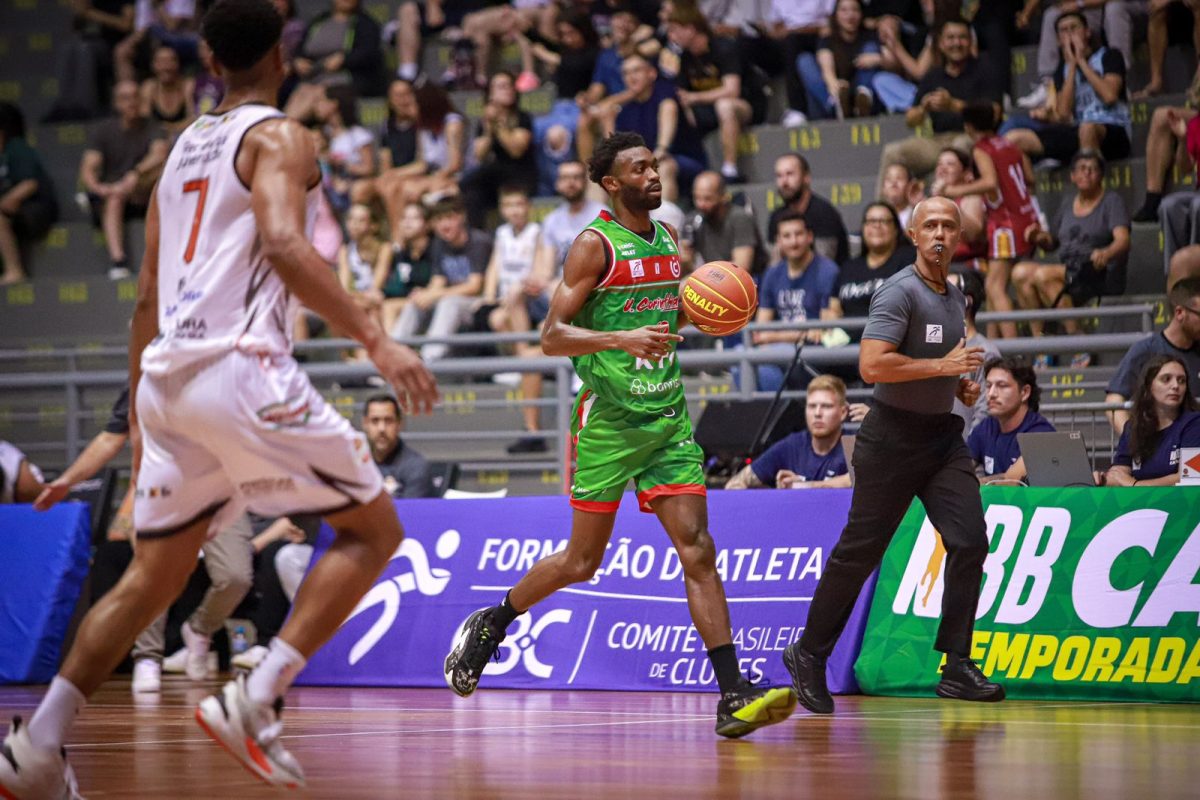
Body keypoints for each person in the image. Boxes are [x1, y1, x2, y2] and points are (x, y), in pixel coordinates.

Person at [0, 4, 439, 796]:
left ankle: (38, 743)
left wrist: (139, 415)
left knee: (151, 579)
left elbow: (143, 300)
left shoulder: (175, 153)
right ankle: (256, 695)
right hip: (240, 367)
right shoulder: (279, 135)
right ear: (283, 54)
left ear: (205, 57)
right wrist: (377, 340)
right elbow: (283, 241)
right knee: (375, 530)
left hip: (168, 376)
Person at [442, 131, 798, 738]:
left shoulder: (665, 237)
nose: (654, 175)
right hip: (607, 423)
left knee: (699, 549)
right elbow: (552, 336)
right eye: (640, 168)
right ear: (611, 183)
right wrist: (619, 339)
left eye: (656, 165)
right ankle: (494, 621)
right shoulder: (591, 246)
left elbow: (667, 309)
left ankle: (732, 692)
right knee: (583, 562)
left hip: (665, 419)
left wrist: (705, 310)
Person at [783, 196, 1004, 717]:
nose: (941, 234)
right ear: (913, 234)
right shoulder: (897, 291)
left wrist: (958, 386)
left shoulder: (955, 293)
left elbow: (938, 361)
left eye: (950, 225)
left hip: (943, 437)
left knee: (970, 540)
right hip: (892, 438)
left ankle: (955, 666)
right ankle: (808, 653)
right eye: (930, 225)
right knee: (860, 552)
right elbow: (874, 365)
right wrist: (941, 367)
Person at [32, 384, 256, 692]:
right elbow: (110, 438)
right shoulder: (149, 377)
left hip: (221, 489)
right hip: (162, 490)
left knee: (236, 577)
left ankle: (199, 629)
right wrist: (68, 480)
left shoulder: (230, 373)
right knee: (155, 575)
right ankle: (147, 657)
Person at [936, 104, 1040, 340]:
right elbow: (1030, 179)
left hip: (1007, 223)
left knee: (994, 287)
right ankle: (995, 343)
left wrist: (953, 190)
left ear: (969, 127)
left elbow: (990, 183)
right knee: (996, 286)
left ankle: (1014, 348)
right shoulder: (1010, 143)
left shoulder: (982, 149)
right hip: (1025, 215)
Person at [1012, 149, 1130, 354]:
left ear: (1101, 175)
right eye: (1082, 169)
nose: (1087, 174)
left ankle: (1078, 341)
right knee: (1020, 272)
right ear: (1072, 175)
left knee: (1043, 274)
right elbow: (1053, 241)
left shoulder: (1111, 201)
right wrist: (1039, 237)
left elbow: (1123, 240)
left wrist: (1106, 253)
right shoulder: (1068, 202)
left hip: (1096, 270)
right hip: (1069, 270)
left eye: (1092, 170)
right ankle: (1041, 345)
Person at [877, 18, 999, 199]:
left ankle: (943, 212)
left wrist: (954, 105)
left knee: (955, 151)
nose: (956, 43)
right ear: (941, 44)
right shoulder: (933, 76)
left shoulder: (984, 68)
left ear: (971, 42)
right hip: (936, 141)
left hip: (970, 137)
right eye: (950, 38)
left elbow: (995, 112)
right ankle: (882, 215)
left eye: (962, 38)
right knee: (892, 152)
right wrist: (923, 109)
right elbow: (911, 120)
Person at [1002, 12, 1132, 167]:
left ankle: (1092, 185)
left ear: (1087, 32)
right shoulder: (1062, 69)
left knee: (1087, 128)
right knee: (1014, 139)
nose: (1069, 34)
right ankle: (1027, 189)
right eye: (1063, 31)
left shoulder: (1109, 56)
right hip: (1078, 130)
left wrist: (1082, 62)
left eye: (1074, 28)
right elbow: (1064, 114)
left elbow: (1109, 96)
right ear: (1058, 40)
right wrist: (1071, 67)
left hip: (1113, 130)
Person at [478, 186, 546, 453]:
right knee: (495, 317)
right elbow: (495, 264)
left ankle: (521, 358)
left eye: (520, 204)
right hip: (507, 301)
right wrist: (486, 294)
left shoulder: (536, 232)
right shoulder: (502, 233)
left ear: (528, 206)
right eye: (509, 205)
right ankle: (521, 357)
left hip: (530, 298)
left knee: (515, 295)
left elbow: (540, 271)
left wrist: (525, 285)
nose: (515, 210)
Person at [79, 80, 169, 279]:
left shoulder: (153, 126)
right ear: (116, 103)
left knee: (155, 177)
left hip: (144, 188)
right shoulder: (103, 130)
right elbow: (88, 166)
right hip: (114, 192)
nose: (132, 103)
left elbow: (159, 154)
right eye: (125, 98)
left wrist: (135, 174)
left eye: (135, 97)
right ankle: (118, 261)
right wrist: (97, 188)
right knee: (115, 197)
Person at [390, 196, 492, 362]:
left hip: (478, 303)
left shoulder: (478, 241)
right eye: (439, 220)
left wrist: (435, 295)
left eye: (449, 218)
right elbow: (438, 281)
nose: (444, 225)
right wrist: (425, 294)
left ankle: (429, 358)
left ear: (461, 217)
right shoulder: (439, 244)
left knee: (449, 303)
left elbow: (474, 286)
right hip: (451, 298)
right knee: (416, 302)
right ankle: (394, 355)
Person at [666, 6, 761, 183]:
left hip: (743, 106)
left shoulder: (723, 47)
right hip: (707, 110)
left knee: (724, 105)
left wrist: (695, 98)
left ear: (691, 29)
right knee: (673, 108)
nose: (672, 36)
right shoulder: (684, 57)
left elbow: (732, 90)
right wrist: (688, 108)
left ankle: (730, 169)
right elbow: (681, 94)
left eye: (675, 30)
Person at [750, 210, 840, 391]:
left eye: (799, 234)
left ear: (810, 237)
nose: (794, 241)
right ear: (779, 241)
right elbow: (761, 332)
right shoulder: (773, 274)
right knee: (740, 362)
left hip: (813, 351)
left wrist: (775, 336)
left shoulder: (827, 271)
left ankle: (775, 417)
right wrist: (799, 333)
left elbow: (823, 331)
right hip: (783, 348)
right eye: (787, 236)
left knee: (759, 367)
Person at [1105, 278, 1200, 434]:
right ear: (1180, 313)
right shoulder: (1146, 350)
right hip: (1157, 446)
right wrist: (1131, 440)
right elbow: (1114, 400)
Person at [725, 374, 851, 489]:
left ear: (843, 412)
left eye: (826, 406)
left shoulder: (853, 445)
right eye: (812, 406)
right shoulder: (792, 445)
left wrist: (801, 486)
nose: (817, 413)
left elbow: (855, 480)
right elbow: (735, 483)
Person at [1105, 355, 1200, 486]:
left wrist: (1135, 484)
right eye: (1166, 379)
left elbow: (1189, 476)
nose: (1175, 386)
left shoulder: (1195, 423)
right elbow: (1119, 472)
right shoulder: (1132, 427)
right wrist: (1101, 480)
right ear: (1149, 386)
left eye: (1181, 380)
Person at [825, 202, 915, 341]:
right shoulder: (849, 267)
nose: (877, 226)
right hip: (846, 345)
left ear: (896, 229)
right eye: (871, 221)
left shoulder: (909, 259)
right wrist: (831, 315)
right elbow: (833, 307)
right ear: (863, 228)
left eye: (884, 221)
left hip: (891, 342)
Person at [459, 71, 537, 230]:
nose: (508, 90)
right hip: (495, 173)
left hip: (520, 172)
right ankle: (476, 237)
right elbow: (479, 155)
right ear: (491, 94)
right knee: (469, 188)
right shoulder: (485, 121)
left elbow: (516, 150)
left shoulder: (523, 117)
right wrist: (488, 129)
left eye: (510, 86)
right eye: (501, 87)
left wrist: (498, 125)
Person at [968, 357, 1056, 484]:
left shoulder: (1041, 434)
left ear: (1025, 392)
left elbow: (1012, 481)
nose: (991, 394)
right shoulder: (985, 428)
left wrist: (975, 483)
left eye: (1002, 386)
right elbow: (960, 471)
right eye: (988, 386)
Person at [0, 102, 58, 285]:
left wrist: (7, 200)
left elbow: (29, 184)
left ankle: (14, 270)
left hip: (37, 208)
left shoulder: (16, 147)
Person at [798, 0, 881, 120]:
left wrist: (877, 59)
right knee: (804, 60)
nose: (850, 15)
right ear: (836, 15)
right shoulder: (828, 38)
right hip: (833, 96)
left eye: (855, 10)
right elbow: (827, 70)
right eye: (844, 10)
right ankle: (834, 106)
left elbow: (892, 63)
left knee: (871, 49)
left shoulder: (869, 36)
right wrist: (837, 89)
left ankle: (863, 100)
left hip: (860, 95)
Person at [768, 152, 850, 266]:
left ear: (806, 177)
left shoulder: (824, 213)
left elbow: (825, 263)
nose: (784, 182)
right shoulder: (776, 216)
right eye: (779, 176)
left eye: (790, 174)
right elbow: (774, 264)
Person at [948, 269, 1001, 437]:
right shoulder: (931, 348)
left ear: (967, 301)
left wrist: (966, 456)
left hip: (963, 458)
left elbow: (985, 415)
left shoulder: (986, 353)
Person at [682, 171, 765, 276]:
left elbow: (742, 267)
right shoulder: (693, 220)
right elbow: (686, 268)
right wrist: (685, 259)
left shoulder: (739, 218)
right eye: (697, 198)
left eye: (708, 199)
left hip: (746, 281)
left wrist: (703, 276)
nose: (701, 204)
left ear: (723, 196)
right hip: (713, 277)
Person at [362, 394, 433, 498]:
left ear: (399, 424)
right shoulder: (353, 464)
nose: (382, 428)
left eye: (388, 421)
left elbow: (411, 512)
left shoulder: (416, 466)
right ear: (365, 424)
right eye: (375, 421)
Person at [1158, 113, 1200, 274]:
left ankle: (1195, 273)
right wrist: (1182, 139)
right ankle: (1176, 278)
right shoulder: (1196, 124)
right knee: (1169, 205)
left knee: (1198, 205)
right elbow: (1185, 169)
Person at [140, 45, 195, 138]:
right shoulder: (148, 88)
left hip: (185, 138)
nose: (166, 67)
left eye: (170, 61)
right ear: (153, 65)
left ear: (178, 64)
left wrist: (167, 128)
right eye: (161, 62)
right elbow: (145, 123)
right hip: (156, 140)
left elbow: (194, 120)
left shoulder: (189, 86)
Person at [880, 162, 923, 231]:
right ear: (883, 189)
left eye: (899, 178)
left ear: (910, 185)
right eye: (889, 178)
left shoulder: (918, 212)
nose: (893, 182)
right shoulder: (877, 217)